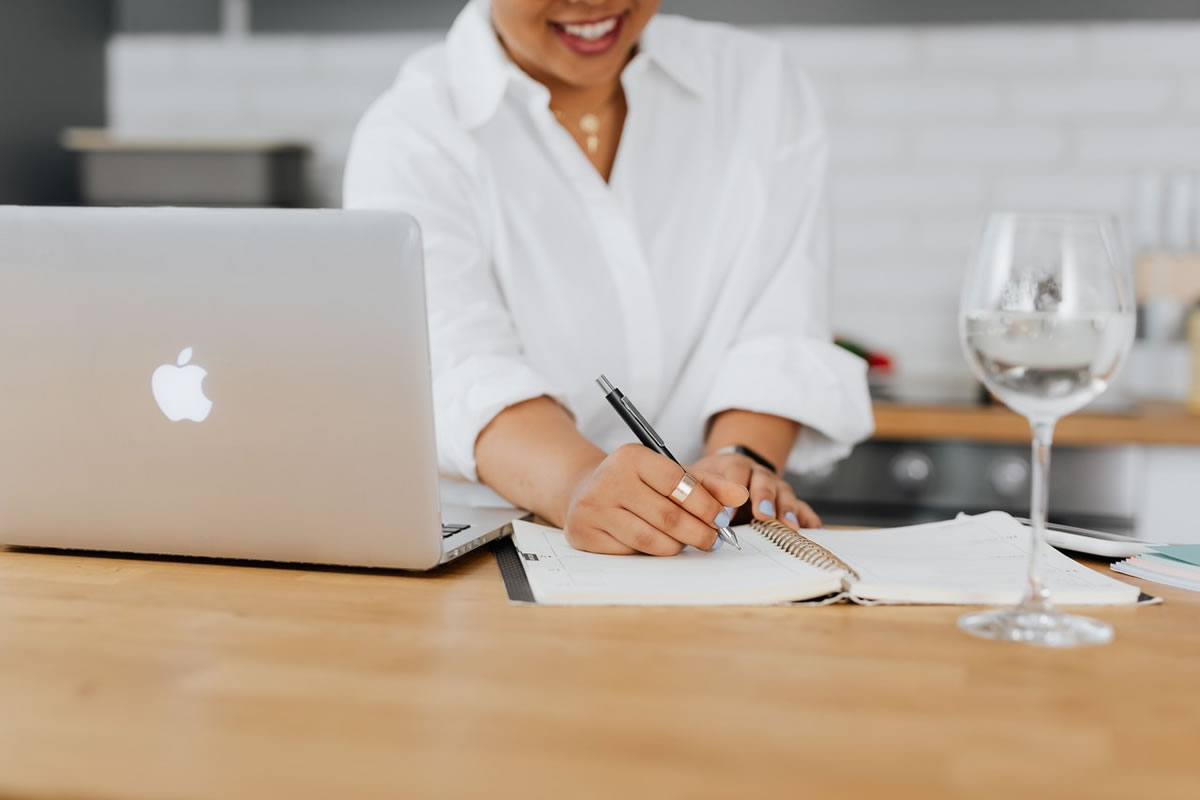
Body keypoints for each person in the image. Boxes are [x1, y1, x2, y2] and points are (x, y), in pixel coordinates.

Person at [344, 0, 874, 556]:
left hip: (708, 553)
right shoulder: (412, 131)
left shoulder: (759, 84)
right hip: (494, 558)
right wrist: (578, 484)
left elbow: (779, 323)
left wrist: (741, 461)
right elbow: (457, 367)